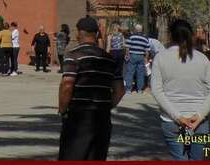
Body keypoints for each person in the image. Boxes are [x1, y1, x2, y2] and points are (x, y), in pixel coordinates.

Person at [151, 19, 210, 160]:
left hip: (172, 122)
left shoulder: (160, 58)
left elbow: (157, 91)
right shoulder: (202, 59)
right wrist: (199, 115)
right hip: (198, 122)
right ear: (191, 35)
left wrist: (178, 117)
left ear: (170, 35)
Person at [58, 17, 124, 160]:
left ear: (79, 33)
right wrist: (105, 106)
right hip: (102, 118)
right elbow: (119, 91)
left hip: (78, 116)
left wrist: (63, 110)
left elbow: (67, 85)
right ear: (96, 34)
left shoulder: (73, 56)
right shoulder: (109, 59)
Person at [124, 23, 150, 93]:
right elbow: (147, 50)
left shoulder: (131, 37)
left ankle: (128, 89)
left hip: (132, 55)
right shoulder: (145, 38)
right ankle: (140, 89)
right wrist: (146, 58)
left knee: (130, 72)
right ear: (141, 30)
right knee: (140, 73)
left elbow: (127, 47)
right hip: (141, 56)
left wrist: (127, 55)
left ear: (135, 30)